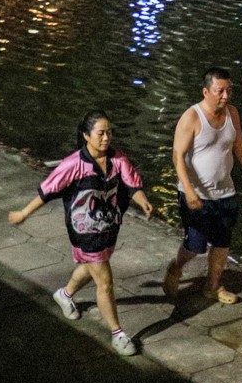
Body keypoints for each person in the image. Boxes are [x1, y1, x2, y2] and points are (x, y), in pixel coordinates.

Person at [9, 110, 155, 356]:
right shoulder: (73, 164)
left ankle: (64, 295)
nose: (107, 137)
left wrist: (143, 201)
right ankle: (118, 334)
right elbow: (47, 190)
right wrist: (24, 213)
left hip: (109, 226)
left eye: (109, 132)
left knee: (90, 268)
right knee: (105, 282)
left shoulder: (118, 158)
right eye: (101, 133)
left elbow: (131, 185)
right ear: (87, 136)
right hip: (84, 231)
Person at [162, 68, 242, 305]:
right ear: (206, 92)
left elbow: (239, 145)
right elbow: (178, 156)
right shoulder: (192, 117)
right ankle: (176, 268)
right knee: (195, 245)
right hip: (197, 193)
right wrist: (189, 191)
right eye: (220, 91)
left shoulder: (232, 114)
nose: (225, 96)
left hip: (225, 191)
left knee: (222, 242)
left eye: (229, 90)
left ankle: (212, 286)